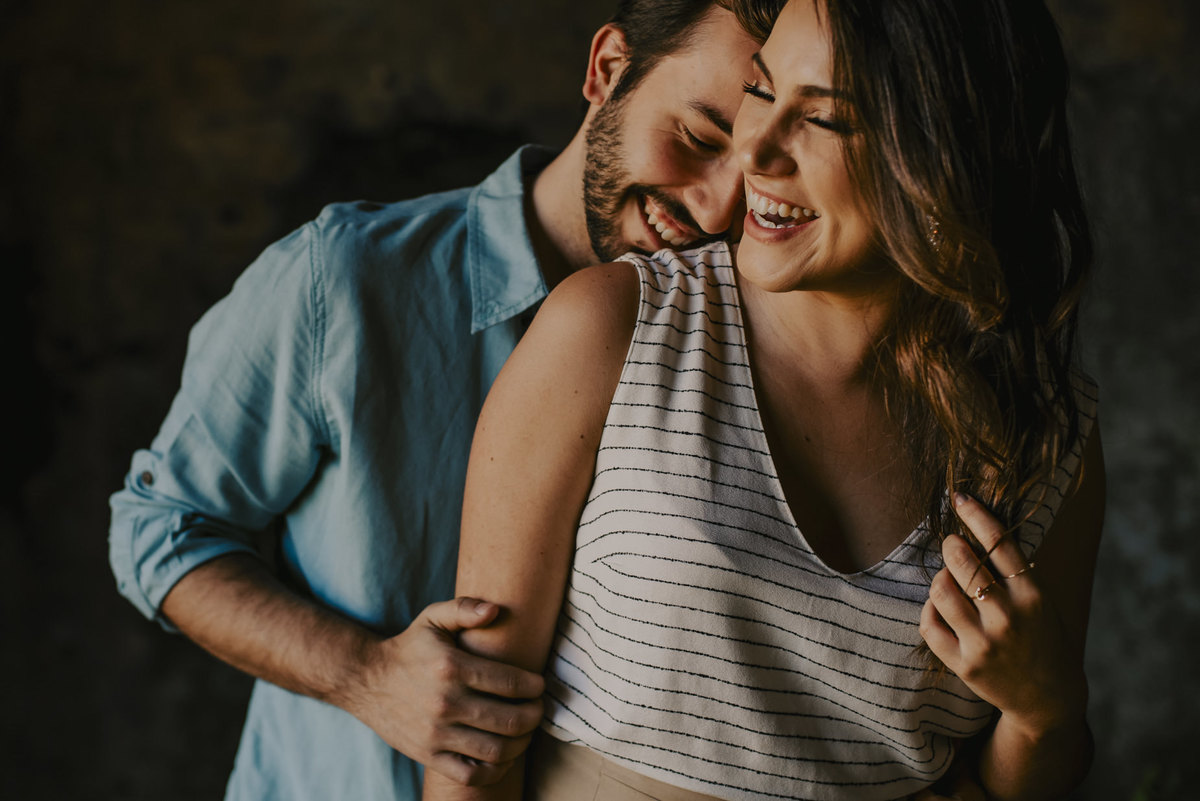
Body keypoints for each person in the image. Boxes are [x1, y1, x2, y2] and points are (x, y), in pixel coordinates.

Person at [428, 0, 1104, 799]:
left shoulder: (1044, 434)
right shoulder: (612, 328)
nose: (755, 147)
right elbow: (475, 742)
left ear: (947, 155)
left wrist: (1045, 711)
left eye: (822, 118)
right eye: (761, 89)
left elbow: (1015, 785)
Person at [107, 2, 777, 799]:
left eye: (758, 174)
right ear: (607, 70)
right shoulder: (345, 281)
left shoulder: (751, 356)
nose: (714, 211)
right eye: (699, 139)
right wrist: (365, 674)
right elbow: (158, 529)